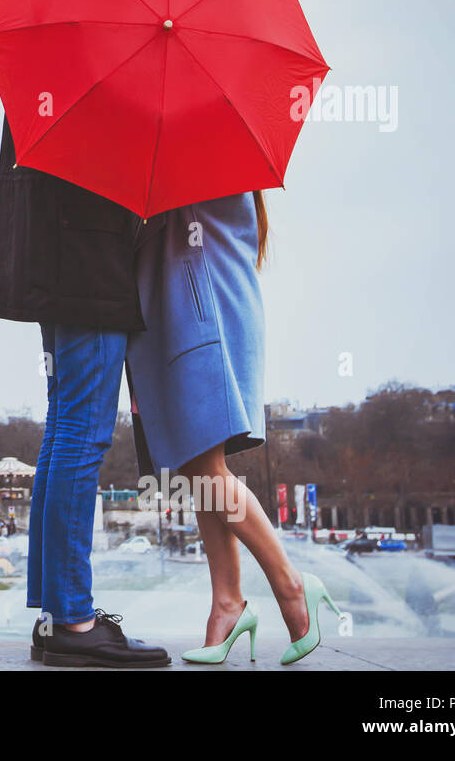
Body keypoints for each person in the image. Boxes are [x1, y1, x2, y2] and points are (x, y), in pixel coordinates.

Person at [0, 117, 170, 668]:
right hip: (89, 264)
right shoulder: (106, 82)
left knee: (65, 430)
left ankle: (57, 614)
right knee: (82, 435)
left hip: (60, 259)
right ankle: (72, 618)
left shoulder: (56, 70)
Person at [128, 192, 340, 666]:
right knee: (195, 465)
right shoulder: (216, 164)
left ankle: (291, 584)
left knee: (202, 469)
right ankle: (227, 602)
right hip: (197, 316)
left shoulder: (195, 164)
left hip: (197, 321)